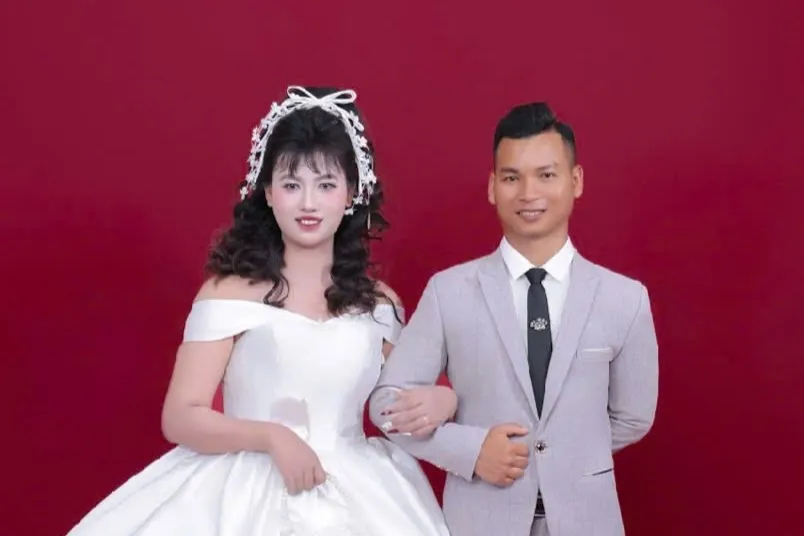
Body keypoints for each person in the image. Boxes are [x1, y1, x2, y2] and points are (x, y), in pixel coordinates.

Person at [68, 86, 457, 536]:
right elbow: (181, 415)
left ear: (352, 193)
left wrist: (445, 401)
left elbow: (399, 408)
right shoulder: (227, 294)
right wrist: (271, 438)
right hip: (240, 488)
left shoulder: (379, 304)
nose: (308, 203)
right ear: (268, 192)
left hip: (363, 494)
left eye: (326, 185)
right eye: (292, 185)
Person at [369, 101, 659, 536]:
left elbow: (633, 416)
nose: (528, 193)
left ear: (576, 180)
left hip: (588, 521)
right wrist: (470, 450)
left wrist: (560, 455)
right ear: (492, 187)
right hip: (480, 519)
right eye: (511, 178)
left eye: (546, 175)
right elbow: (386, 405)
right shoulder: (449, 292)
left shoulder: (625, 299)